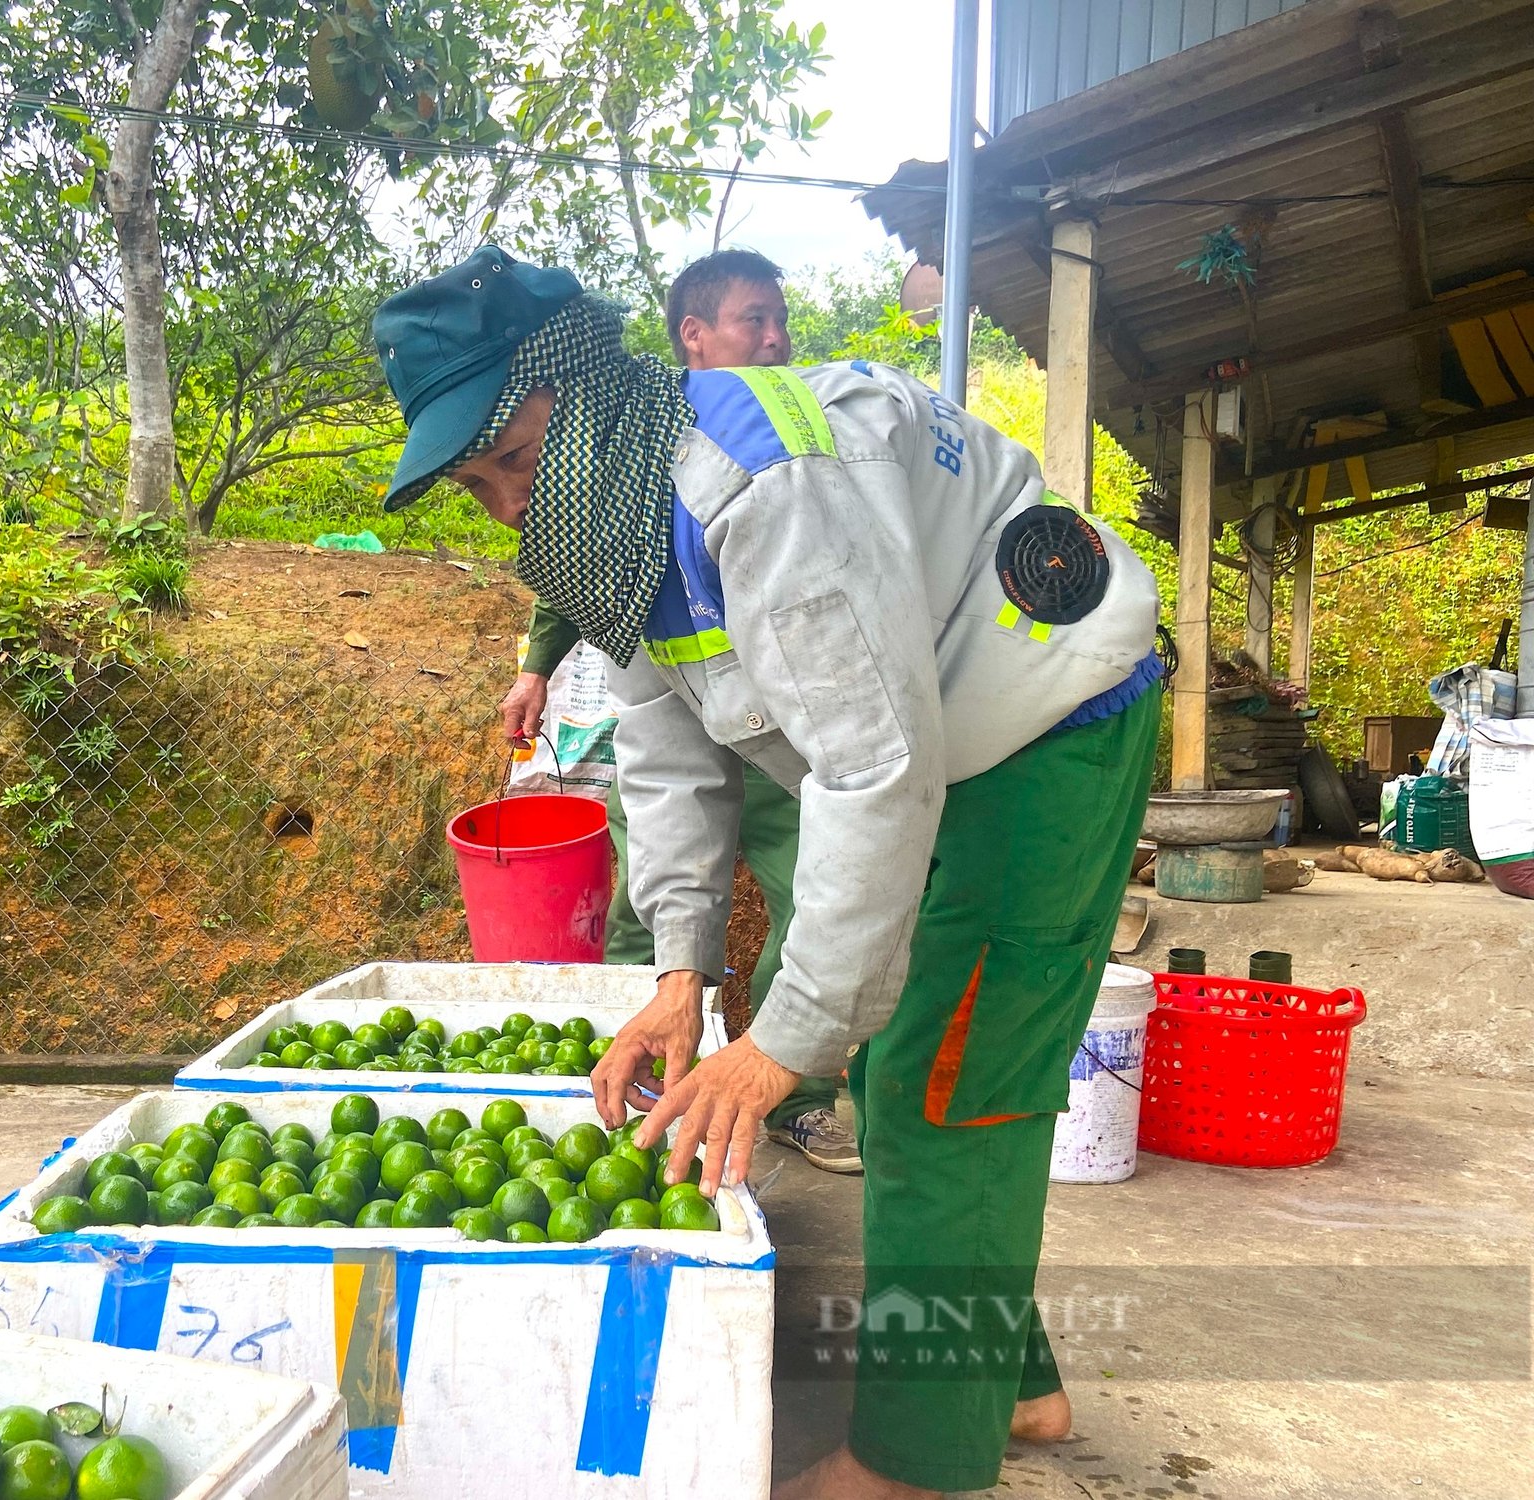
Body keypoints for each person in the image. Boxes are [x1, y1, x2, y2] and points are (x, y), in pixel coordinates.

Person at [371, 246, 1162, 1500]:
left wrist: (781, 1041)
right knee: (919, 1043)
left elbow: (869, 769)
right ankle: (1015, 1388)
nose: (507, 508)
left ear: (577, 398)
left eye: (512, 463)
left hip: (1049, 708)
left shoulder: (762, 479)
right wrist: (681, 970)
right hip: (944, 733)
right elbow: (669, 757)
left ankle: (917, 1463)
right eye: (478, 486)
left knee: (941, 1067)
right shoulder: (613, 530)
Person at [499, 249, 858, 1174]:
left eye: (778, 317)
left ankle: (796, 1090)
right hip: (682, 702)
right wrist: (538, 666)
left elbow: (872, 763)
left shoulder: (783, 456)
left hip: (790, 729)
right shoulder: (608, 465)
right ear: (693, 336)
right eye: (752, 319)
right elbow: (572, 573)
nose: (774, 336)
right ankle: (656, 1056)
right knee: (651, 889)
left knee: (807, 885)